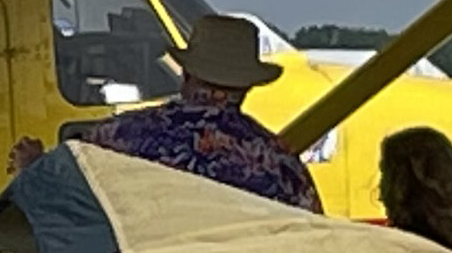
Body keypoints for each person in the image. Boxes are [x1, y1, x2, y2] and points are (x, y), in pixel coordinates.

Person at [66, 13, 320, 210]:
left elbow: (63, 185)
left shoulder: (120, 135)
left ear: (187, 73)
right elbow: (311, 229)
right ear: (247, 87)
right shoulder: (279, 163)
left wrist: (32, 161)